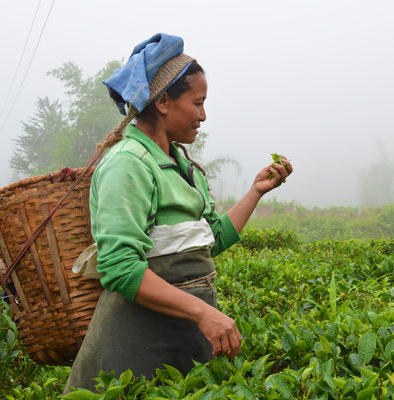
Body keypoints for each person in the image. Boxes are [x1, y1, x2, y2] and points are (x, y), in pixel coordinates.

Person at [65, 33, 292, 391]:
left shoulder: (181, 165)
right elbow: (120, 267)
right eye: (198, 103)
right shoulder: (129, 164)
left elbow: (207, 243)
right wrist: (203, 312)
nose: (203, 115)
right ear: (165, 101)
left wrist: (256, 191)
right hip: (133, 348)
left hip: (180, 343)